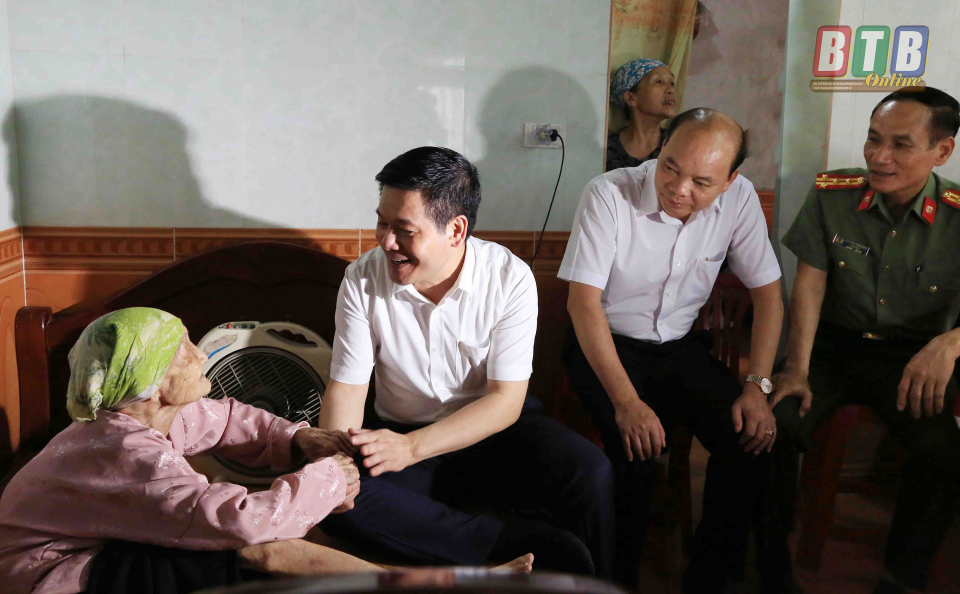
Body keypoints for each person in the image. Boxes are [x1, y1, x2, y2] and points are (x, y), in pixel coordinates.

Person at [0, 308, 534, 594]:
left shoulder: (142, 414)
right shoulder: (124, 451)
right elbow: (242, 521)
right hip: (51, 578)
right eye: (182, 350)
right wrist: (331, 476)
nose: (199, 354)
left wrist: (300, 439)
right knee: (254, 550)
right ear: (152, 382)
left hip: (90, 550)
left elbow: (228, 419)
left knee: (273, 543)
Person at [316, 146, 615, 577]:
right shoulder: (362, 278)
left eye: (404, 230)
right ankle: (506, 545)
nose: (386, 242)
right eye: (382, 223)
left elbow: (505, 401)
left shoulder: (509, 278)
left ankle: (596, 584)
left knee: (590, 472)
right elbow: (347, 387)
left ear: (456, 230)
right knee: (333, 496)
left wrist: (413, 449)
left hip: (494, 433)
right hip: (399, 434)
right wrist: (338, 464)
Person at [560, 108, 784, 592]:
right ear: (661, 148)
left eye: (702, 182)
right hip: (606, 345)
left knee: (747, 437)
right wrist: (627, 402)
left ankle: (709, 576)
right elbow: (583, 304)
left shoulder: (741, 198)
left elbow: (768, 294)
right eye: (670, 167)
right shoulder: (608, 194)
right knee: (637, 456)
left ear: (730, 180)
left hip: (679, 349)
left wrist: (757, 386)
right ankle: (616, 580)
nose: (679, 189)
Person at [772, 86, 960, 594]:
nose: (879, 156)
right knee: (774, 424)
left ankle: (902, 579)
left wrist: (950, 343)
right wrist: (796, 368)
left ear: (942, 150)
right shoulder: (833, 195)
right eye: (874, 139)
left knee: (943, 451)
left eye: (901, 145)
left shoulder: (957, 214)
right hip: (830, 348)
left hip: (911, 358)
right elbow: (809, 285)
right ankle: (770, 563)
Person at [606, 59, 679, 172]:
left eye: (672, 83)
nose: (671, 90)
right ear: (631, 98)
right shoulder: (605, 150)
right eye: (659, 81)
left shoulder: (678, 144)